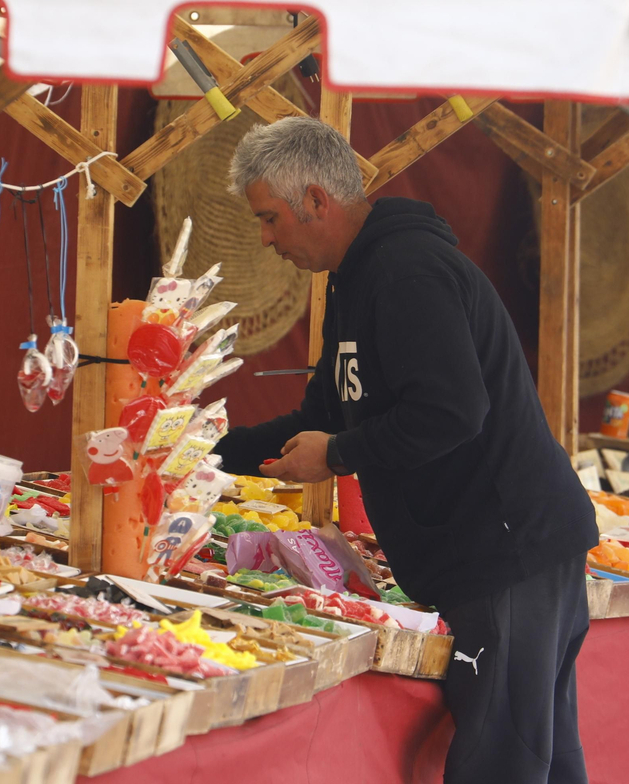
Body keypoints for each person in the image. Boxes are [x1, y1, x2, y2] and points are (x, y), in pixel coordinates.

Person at [214, 117, 597, 784]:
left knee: (502, 764)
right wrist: (206, 455)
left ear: (316, 201)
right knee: (538, 758)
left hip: (507, 558)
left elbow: (452, 411)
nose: (267, 238)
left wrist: (335, 456)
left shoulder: (407, 271)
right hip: (493, 557)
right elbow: (326, 413)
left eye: (271, 218)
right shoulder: (354, 280)